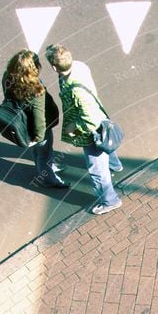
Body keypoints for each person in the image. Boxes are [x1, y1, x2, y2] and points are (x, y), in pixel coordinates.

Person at [45, 44, 122, 215]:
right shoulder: (79, 66)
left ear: (53, 66)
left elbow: (90, 121)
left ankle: (110, 200)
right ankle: (115, 165)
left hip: (91, 131)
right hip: (100, 119)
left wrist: (74, 128)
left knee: (96, 170)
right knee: (107, 145)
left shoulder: (77, 91)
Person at [1, 50, 68, 188]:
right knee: (44, 151)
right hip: (39, 128)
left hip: (23, 123)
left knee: (38, 151)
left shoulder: (7, 77)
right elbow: (39, 117)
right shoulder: (36, 89)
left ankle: (46, 167)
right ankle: (48, 178)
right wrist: (38, 136)